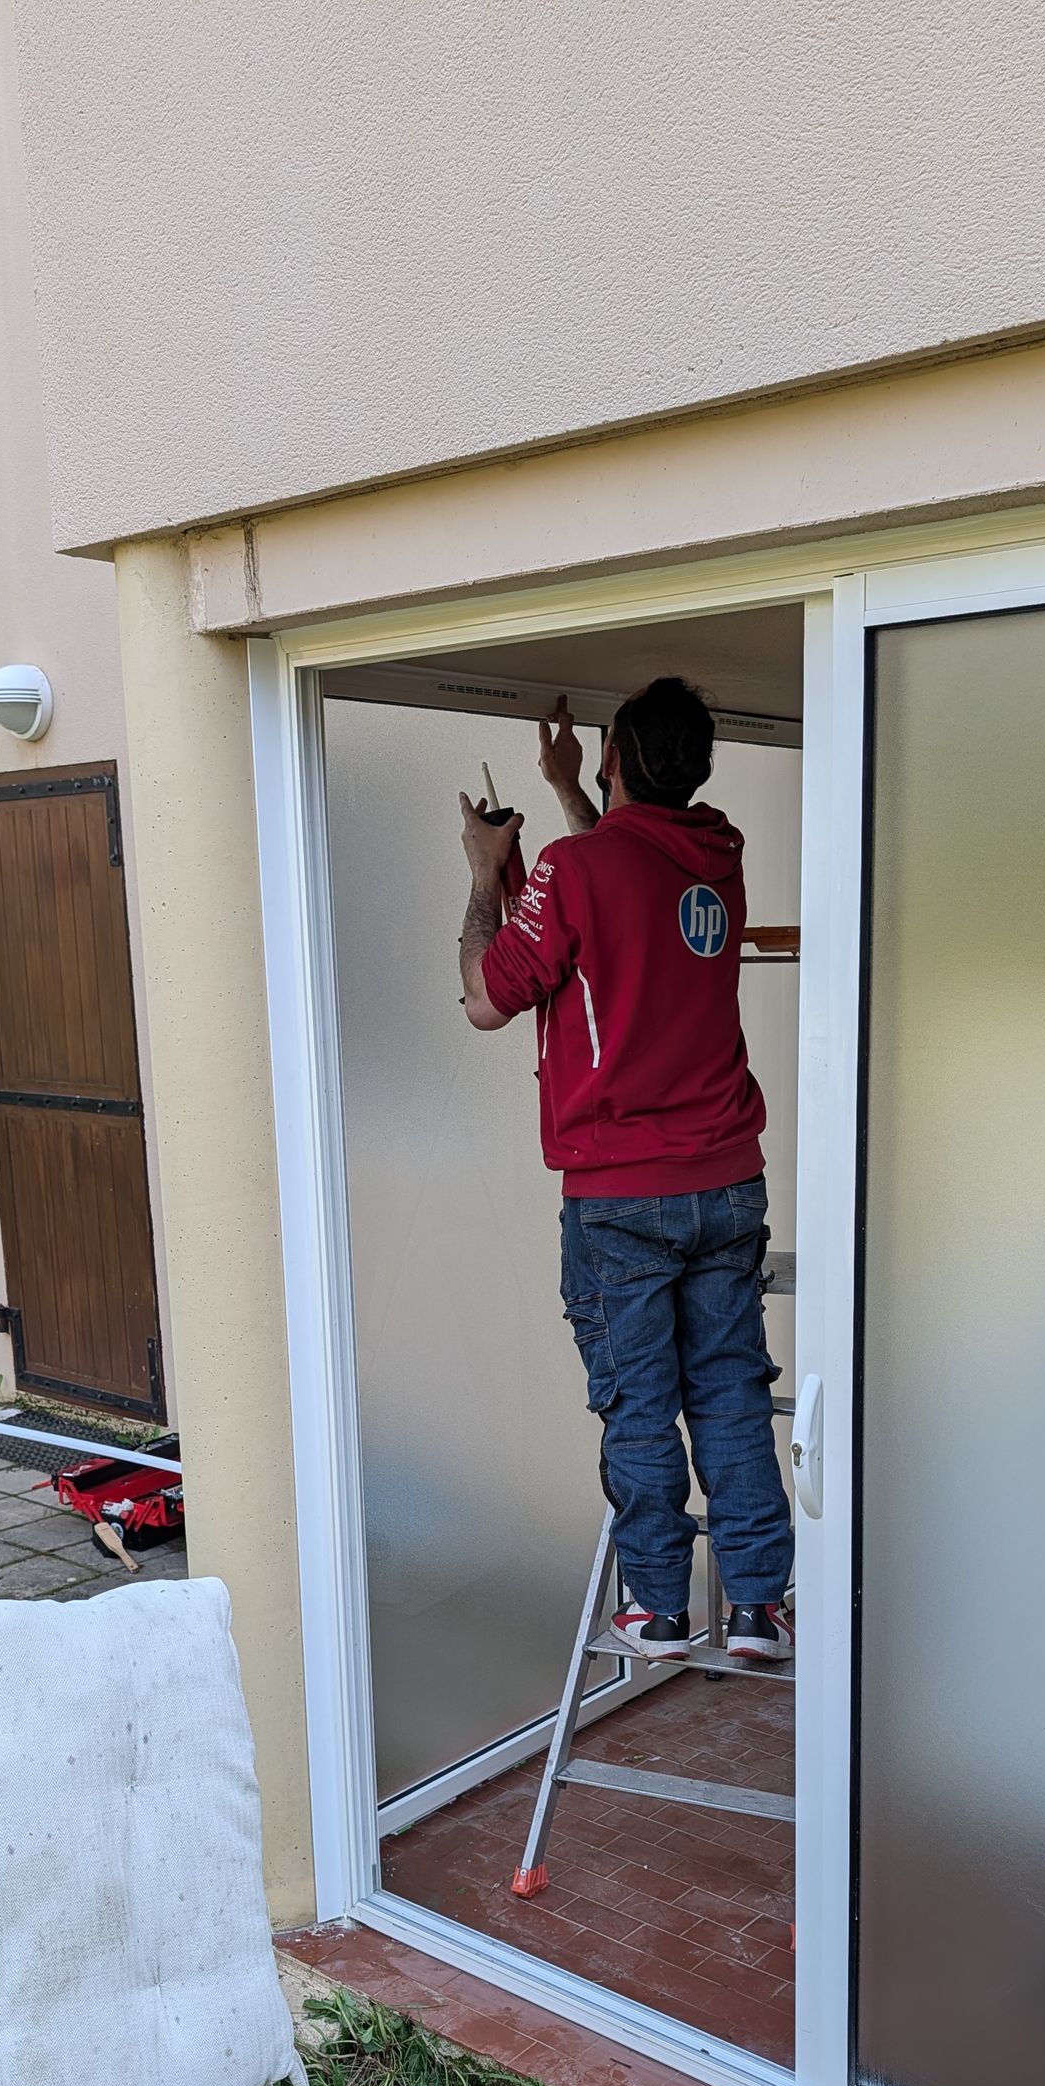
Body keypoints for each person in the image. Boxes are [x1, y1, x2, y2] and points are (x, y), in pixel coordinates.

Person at [455, 678, 794, 1661]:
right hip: (727, 1178)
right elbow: (626, 858)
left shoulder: (575, 868)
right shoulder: (715, 853)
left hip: (623, 1196)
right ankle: (757, 1606)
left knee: (641, 1402)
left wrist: (487, 871)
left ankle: (658, 1606)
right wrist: (566, 786)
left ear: (615, 760)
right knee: (727, 1389)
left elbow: (483, 1000)